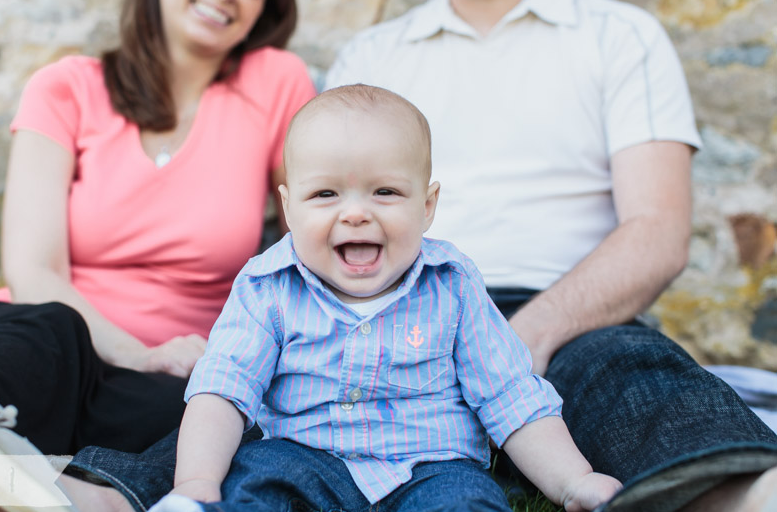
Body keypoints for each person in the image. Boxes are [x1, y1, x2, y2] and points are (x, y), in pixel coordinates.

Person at [322, 0, 777, 510]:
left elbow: (657, 231)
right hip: (394, 315)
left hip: (569, 321)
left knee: (636, 375)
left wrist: (517, 343)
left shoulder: (621, 36)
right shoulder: (368, 59)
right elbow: (328, 223)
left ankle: (755, 493)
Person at [0, 0, 313, 480]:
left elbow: (311, 242)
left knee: (211, 428)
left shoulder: (274, 82)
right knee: (49, 332)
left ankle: (5, 474)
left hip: (162, 378)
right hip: (31, 338)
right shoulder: (66, 87)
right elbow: (32, 270)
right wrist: (135, 351)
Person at [148, 84, 622, 512]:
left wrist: (574, 480)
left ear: (427, 206)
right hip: (302, 456)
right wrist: (196, 481)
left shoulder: (452, 285)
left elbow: (511, 397)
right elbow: (223, 394)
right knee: (255, 483)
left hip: (430, 467)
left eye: (386, 191)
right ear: (288, 208)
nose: (355, 213)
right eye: (326, 193)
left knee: (465, 502)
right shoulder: (266, 287)